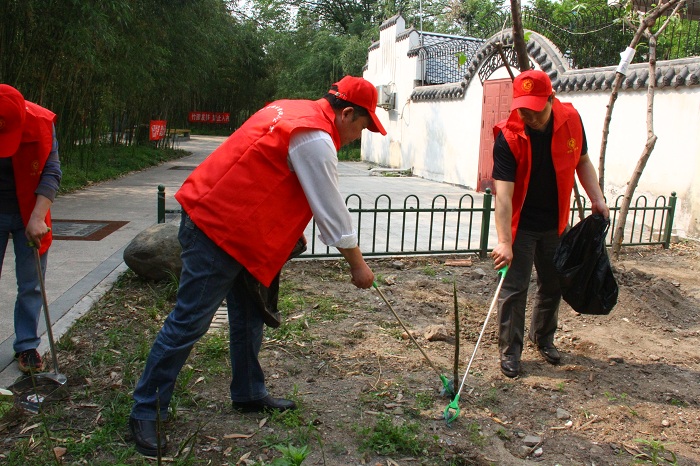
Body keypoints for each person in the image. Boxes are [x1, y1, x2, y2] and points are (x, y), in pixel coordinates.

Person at [129, 76, 387, 456]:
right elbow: (331, 209)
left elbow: (263, 174)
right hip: (217, 229)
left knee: (249, 316)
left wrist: (284, 231)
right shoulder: (315, 137)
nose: (357, 136)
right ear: (347, 113)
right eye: (362, 127)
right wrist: (358, 266)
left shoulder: (288, 109)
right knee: (188, 322)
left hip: (237, 229)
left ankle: (248, 393)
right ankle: (146, 409)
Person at [490, 70, 609, 378]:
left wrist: (596, 197)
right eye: (523, 108)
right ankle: (510, 351)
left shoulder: (571, 119)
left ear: (551, 100)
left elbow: (582, 160)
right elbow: (502, 197)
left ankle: (543, 338)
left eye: (536, 108)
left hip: (556, 222)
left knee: (553, 283)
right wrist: (504, 241)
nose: (529, 115)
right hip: (521, 226)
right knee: (514, 288)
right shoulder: (508, 136)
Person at [0, 84, 61, 374]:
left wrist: (38, 217)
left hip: (30, 208)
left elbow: (51, 171)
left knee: (31, 283)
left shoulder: (41, 123)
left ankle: (26, 345)